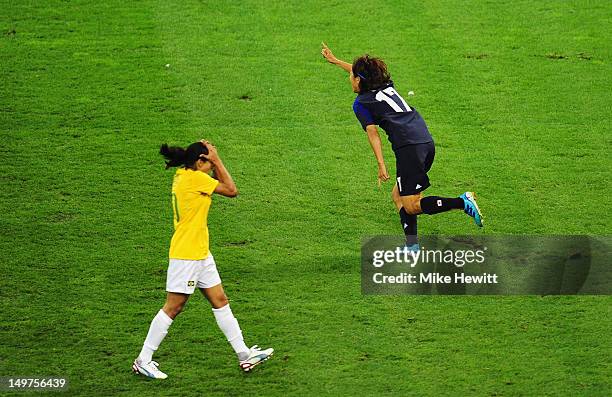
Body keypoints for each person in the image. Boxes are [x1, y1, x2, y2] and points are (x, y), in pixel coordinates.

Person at [132, 140, 273, 378]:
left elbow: (221, 184)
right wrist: (217, 160)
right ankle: (143, 359)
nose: (212, 167)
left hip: (200, 253)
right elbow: (231, 190)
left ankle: (243, 354)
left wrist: (212, 160)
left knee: (220, 299)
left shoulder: (184, 174)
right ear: (200, 162)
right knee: (173, 307)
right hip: (187, 255)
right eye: (208, 163)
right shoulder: (195, 179)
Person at [321, 43, 483, 248]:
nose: (349, 78)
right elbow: (361, 74)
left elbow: (373, 134)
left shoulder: (361, 104)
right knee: (398, 196)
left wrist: (381, 165)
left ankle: (462, 202)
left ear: (359, 80)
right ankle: (412, 247)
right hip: (425, 141)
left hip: (409, 149)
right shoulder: (385, 86)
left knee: (412, 205)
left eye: (352, 75)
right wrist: (336, 62)